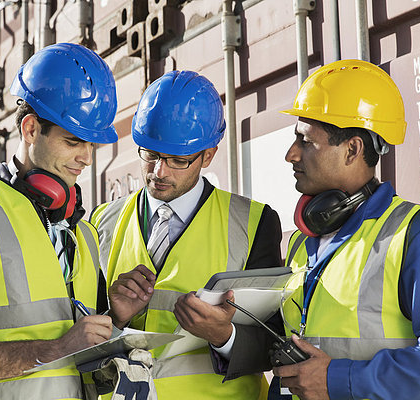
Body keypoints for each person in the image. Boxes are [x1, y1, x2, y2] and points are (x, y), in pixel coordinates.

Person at [0, 43, 138, 400]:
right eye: (74, 141)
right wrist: (53, 349)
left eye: (92, 145)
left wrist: (116, 318)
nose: (87, 159)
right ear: (31, 129)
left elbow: (84, 355)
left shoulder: (83, 233)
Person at [219, 59, 420, 400]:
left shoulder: (414, 236)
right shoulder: (302, 242)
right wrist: (222, 331)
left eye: (305, 141)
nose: (291, 155)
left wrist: (337, 379)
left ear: (352, 149)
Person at [90, 70, 283, 400]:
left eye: (178, 160)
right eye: (150, 154)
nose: (159, 172)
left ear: (208, 155)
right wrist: (114, 316)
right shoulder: (101, 222)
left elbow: (274, 341)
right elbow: (79, 339)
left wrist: (223, 335)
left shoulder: (254, 223)